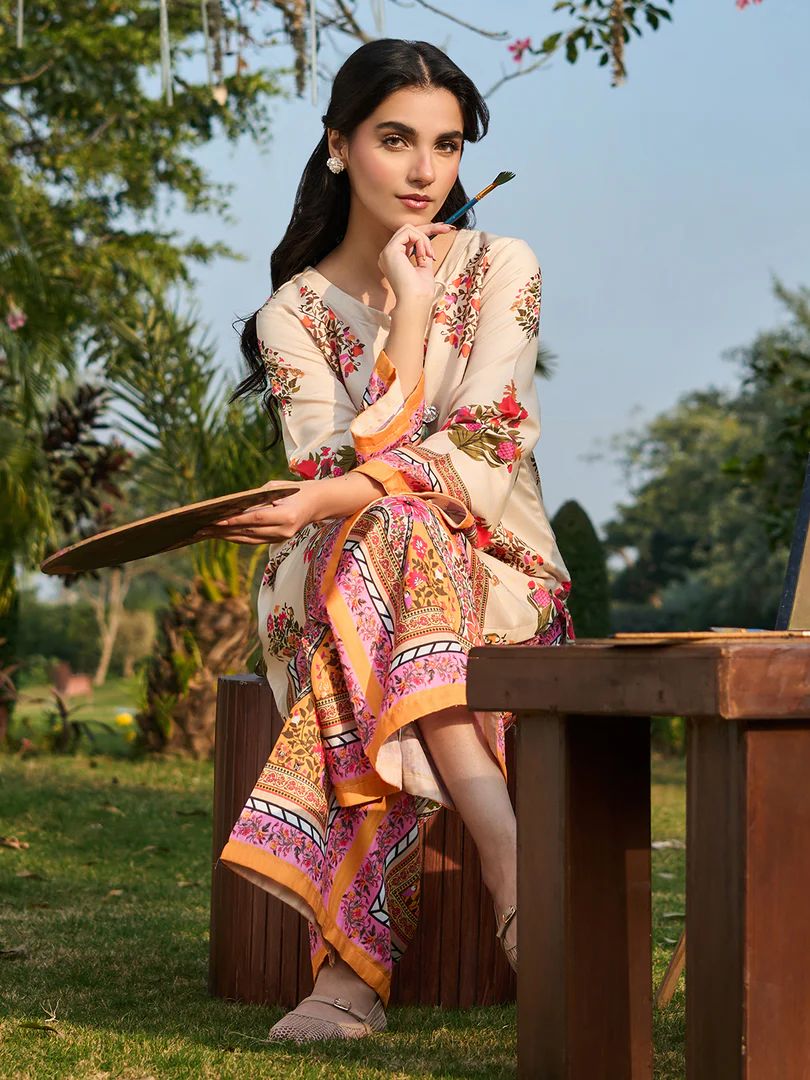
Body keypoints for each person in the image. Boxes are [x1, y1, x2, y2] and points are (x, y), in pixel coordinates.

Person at [207, 38, 574, 1043]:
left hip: (499, 572)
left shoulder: (502, 267)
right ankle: (510, 859)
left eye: (446, 146)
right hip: (339, 567)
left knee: (395, 536)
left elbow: (485, 443)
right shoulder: (292, 314)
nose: (424, 171)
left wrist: (336, 495)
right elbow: (334, 471)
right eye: (396, 139)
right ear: (338, 146)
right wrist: (409, 310)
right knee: (385, 533)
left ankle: (350, 973)